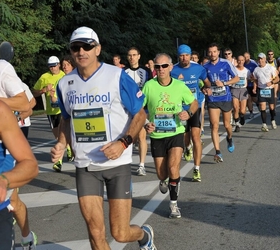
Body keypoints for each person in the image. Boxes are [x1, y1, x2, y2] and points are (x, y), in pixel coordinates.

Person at [50, 26, 155, 250]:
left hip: (117, 164)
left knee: (120, 232)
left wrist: (124, 142)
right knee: (96, 234)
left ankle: (144, 236)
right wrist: (61, 142)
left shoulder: (117, 76)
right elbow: (67, 120)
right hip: (85, 166)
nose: (81, 51)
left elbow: (140, 113)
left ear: (97, 49)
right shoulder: (64, 84)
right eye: (75, 47)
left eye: (87, 46)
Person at [0, 27, 38, 249]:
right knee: (12, 199)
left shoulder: (1, 68)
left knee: (9, 198)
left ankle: (25, 236)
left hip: (1, 144)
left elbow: (26, 103)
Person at [143, 53, 198, 218]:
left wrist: (188, 114)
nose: (161, 70)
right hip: (157, 136)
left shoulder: (180, 86)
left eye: (164, 66)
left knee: (174, 167)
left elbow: (194, 102)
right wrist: (146, 123)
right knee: (162, 173)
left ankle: (173, 204)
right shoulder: (149, 86)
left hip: (176, 132)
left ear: (170, 67)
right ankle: (164, 180)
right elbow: (138, 108)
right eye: (157, 66)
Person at [171, 44, 210, 182]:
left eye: (186, 55)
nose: (184, 58)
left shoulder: (198, 68)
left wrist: (207, 88)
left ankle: (196, 169)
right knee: (185, 137)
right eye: (181, 55)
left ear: (190, 55)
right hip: (179, 109)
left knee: (196, 137)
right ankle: (187, 148)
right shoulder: (173, 70)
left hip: (194, 106)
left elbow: (206, 82)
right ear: (178, 56)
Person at [202, 43, 239, 162]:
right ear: (208, 53)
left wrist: (224, 83)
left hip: (225, 98)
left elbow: (236, 78)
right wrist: (204, 88)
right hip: (213, 99)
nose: (212, 54)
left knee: (227, 125)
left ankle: (229, 138)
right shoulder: (205, 66)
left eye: (214, 52)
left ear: (218, 52)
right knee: (214, 125)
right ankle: (218, 152)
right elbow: (202, 81)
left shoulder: (226, 63)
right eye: (210, 52)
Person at [32, 56, 66, 172]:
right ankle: (69, 147)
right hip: (51, 112)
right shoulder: (44, 77)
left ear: (59, 64)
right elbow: (33, 92)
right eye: (50, 66)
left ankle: (58, 162)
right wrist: (43, 90)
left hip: (63, 110)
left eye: (54, 65)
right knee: (57, 137)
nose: (52, 68)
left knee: (62, 135)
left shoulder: (64, 75)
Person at [125, 47, 153, 176]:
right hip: (128, 110)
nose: (132, 57)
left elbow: (150, 88)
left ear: (139, 56)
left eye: (134, 55)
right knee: (130, 136)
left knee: (142, 136)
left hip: (142, 109)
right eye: (130, 55)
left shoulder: (146, 71)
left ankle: (141, 165)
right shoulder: (123, 72)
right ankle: (125, 163)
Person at [252, 53, 279, 132]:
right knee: (262, 107)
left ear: (264, 59)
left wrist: (272, 82)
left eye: (261, 59)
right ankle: (264, 124)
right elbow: (255, 80)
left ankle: (273, 120)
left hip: (269, 89)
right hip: (261, 89)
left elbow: (277, 78)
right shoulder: (256, 69)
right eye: (259, 59)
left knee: (271, 108)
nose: (260, 60)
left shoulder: (271, 68)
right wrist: (254, 87)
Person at [231, 55, 248, 132]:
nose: (240, 62)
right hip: (234, 89)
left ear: (244, 61)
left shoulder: (247, 71)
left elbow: (249, 79)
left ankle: (242, 116)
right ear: (236, 61)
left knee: (242, 110)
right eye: (239, 60)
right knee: (235, 107)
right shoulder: (233, 69)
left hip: (243, 90)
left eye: (242, 60)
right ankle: (237, 124)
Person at [243, 52, 258, 119]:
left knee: (254, 99)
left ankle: (258, 104)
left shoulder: (253, 64)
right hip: (246, 85)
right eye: (245, 57)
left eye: (247, 57)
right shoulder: (242, 64)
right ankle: (251, 112)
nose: (246, 58)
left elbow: (257, 72)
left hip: (253, 84)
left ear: (249, 57)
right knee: (248, 99)